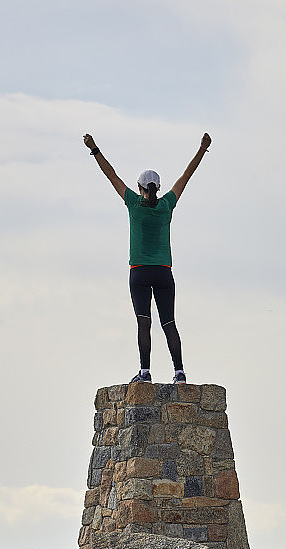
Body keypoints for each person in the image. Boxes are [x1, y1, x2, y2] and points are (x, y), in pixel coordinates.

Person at [83, 131, 212, 384]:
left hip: (139, 271)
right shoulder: (167, 205)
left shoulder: (133, 202)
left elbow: (111, 175)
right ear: (159, 188)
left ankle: (145, 373)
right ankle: (179, 372)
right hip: (163, 271)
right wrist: (202, 149)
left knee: (144, 323)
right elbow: (187, 175)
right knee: (169, 323)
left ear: (139, 187)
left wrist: (94, 148)